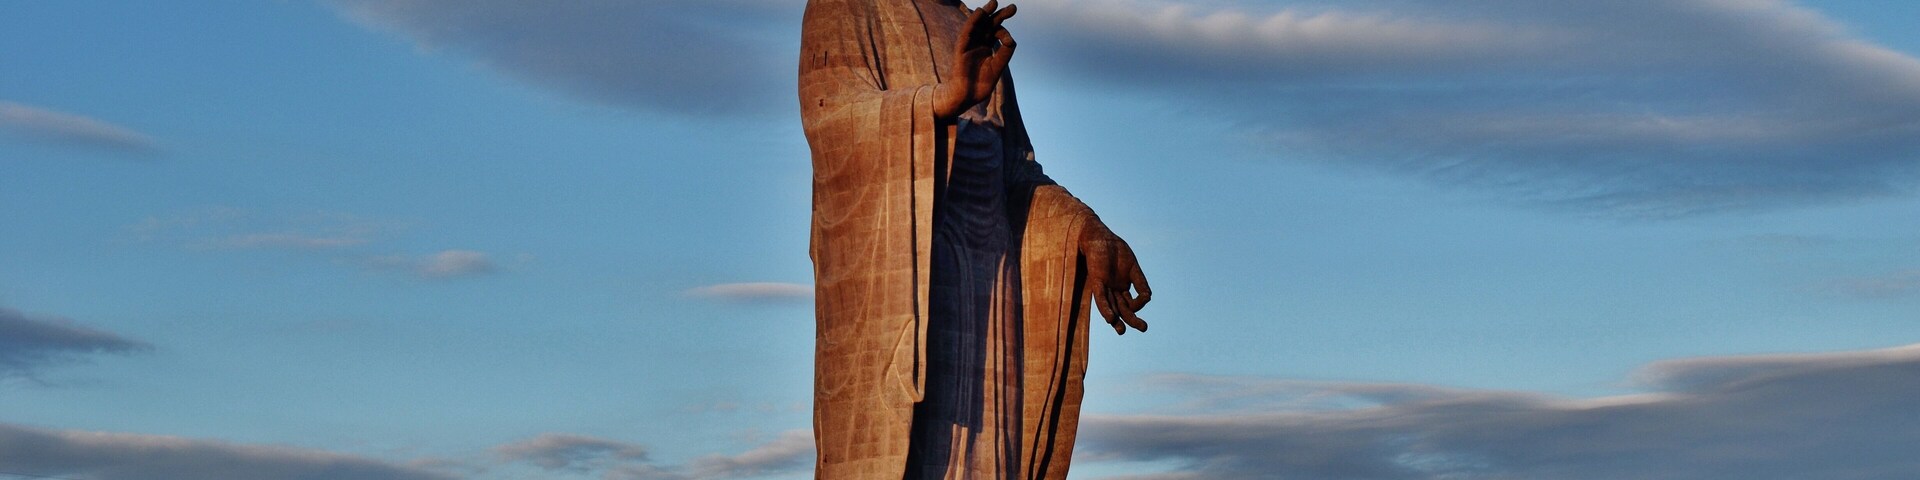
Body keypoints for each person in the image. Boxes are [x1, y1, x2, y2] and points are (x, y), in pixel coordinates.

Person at [798, 0, 1152, 478]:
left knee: (987, 460)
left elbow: (1015, 170)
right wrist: (945, 99)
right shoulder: (846, 7)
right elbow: (831, 120)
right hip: (909, 275)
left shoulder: (971, 25)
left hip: (992, 281)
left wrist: (1086, 228)